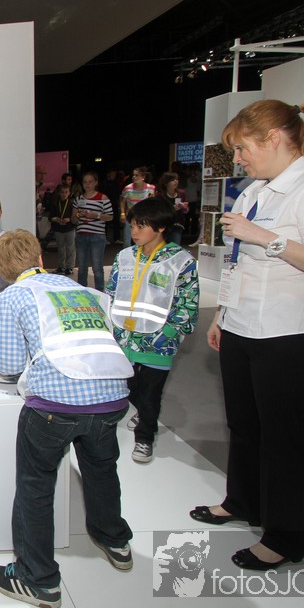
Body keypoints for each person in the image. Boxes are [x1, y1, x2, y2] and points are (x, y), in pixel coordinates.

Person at [194, 101, 304, 571]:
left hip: (291, 333)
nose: (238, 159)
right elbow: (239, 261)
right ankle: (242, 501)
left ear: (273, 138)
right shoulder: (254, 191)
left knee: (282, 438)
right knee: (244, 425)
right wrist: (222, 314)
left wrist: (269, 238)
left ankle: (285, 539)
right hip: (243, 325)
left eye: (242, 148)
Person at [0, 229, 134, 608]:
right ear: (39, 257)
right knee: (102, 470)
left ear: (3, 270)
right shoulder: (82, 290)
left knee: (35, 487)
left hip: (54, 406)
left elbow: (9, 365)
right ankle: (114, 539)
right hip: (112, 398)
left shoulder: (12, 296)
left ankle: (38, 579)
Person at [106, 198, 199, 463]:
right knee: (128, 388)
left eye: (141, 226)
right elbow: (111, 293)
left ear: (160, 227)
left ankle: (145, 438)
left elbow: (188, 304)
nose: (134, 232)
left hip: (158, 343)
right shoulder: (124, 257)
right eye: (133, 225)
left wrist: (168, 334)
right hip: (123, 339)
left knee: (150, 395)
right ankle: (144, 413)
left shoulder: (180, 261)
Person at [73, 171, 113, 291]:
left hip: (97, 236)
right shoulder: (78, 199)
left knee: (97, 267)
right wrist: (78, 215)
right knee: (82, 267)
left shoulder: (103, 198)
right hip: (81, 235)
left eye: (90, 181)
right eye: (85, 182)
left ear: (96, 182)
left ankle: (100, 292)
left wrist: (96, 215)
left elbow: (110, 216)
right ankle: (82, 292)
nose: (87, 184)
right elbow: (73, 219)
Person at [120, 167, 155, 247]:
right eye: (133, 175)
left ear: (143, 177)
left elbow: (152, 203)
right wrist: (122, 214)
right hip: (130, 217)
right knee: (127, 241)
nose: (134, 177)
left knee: (143, 239)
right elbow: (122, 202)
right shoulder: (127, 188)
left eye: (137, 175)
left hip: (144, 217)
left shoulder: (150, 188)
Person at [46, 179, 75, 274]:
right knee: (60, 249)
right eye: (62, 192)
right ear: (59, 193)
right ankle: (61, 266)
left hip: (69, 229)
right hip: (58, 229)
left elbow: (75, 216)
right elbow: (50, 217)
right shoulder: (55, 203)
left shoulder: (71, 203)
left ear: (69, 193)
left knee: (70, 249)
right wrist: (56, 219)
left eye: (66, 192)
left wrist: (69, 219)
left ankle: (70, 267)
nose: (64, 194)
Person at [155, 171, 189, 245]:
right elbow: (158, 211)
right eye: (173, 180)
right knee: (161, 247)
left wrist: (184, 207)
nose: (176, 181)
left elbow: (186, 210)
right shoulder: (160, 196)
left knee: (174, 246)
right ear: (166, 183)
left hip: (177, 224)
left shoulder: (181, 193)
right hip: (164, 225)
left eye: (177, 179)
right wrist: (172, 209)